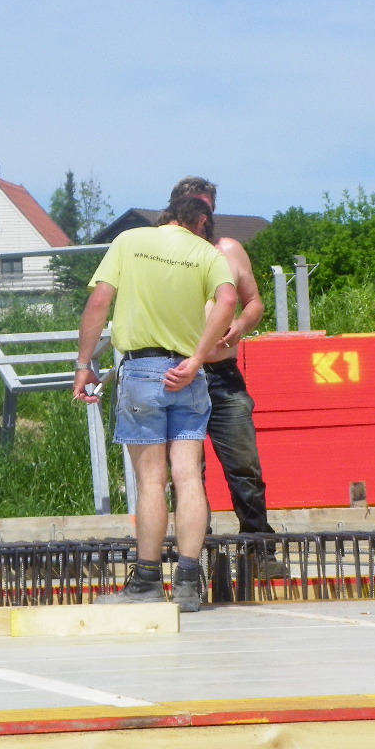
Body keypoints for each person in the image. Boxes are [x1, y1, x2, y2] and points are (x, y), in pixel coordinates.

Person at [73, 185, 236, 612]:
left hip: (142, 371)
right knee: (188, 477)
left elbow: (99, 300)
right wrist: (198, 357)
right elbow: (229, 300)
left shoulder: (130, 241)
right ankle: (188, 584)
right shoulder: (207, 254)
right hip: (188, 374)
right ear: (201, 221)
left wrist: (84, 363)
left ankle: (147, 582)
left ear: (168, 214)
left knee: (151, 481)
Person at [182, 177, 288, 580]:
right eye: (194, 205)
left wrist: (241, 325)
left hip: (223, 374)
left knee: (245, 467)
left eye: (206, 206)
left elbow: (254, 300)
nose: (201, 214)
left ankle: (259, 550)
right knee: (187, 473)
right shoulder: (170, 254)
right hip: (182, 374)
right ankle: (197, 555)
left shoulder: (228, 249)